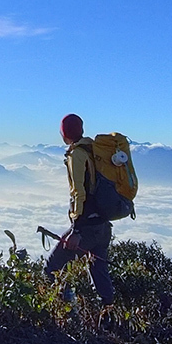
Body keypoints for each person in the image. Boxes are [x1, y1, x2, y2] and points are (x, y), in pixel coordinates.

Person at [44, 113, 115, 305]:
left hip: (87, 227)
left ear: (64, 134)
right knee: (99, 271)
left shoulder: (77, 154)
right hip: (103, 225)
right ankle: (109, 321)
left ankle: (66, 315)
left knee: (52, 269)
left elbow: (78, 193)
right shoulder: (96, 150)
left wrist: (75, 231)